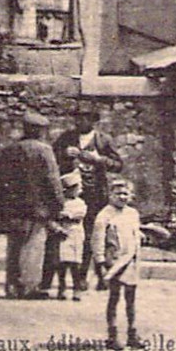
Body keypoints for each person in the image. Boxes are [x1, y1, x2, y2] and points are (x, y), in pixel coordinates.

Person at [0, 111, 65, 299]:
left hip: (12, 208)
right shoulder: (44, 150)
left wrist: (2, 206)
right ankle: (29, 286)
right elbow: (52, 180)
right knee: (33, 247)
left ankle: (11, 285)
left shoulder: (9, 150)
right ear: (40, 131)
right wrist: (58, 205)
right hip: (36, 209)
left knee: (14, 247)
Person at [52, 106, 122, 290]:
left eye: (84, 118)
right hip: (71, 194)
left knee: (92, 234)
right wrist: (64, 155)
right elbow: (52, 158)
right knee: (69, 233)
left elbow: (118, 164)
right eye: (77, 118)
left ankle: (83, 276)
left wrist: (99, 160)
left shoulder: (103, 140)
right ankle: (63, 277)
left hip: (95, 195)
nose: (79, 122)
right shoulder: (66, 138)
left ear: (93, 121)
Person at [92, 178, 144, 350]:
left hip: (131, 261)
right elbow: (97, 240)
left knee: (131, 298)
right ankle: (112, 335)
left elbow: (135, 234)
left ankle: (132, 333)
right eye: (118, 193)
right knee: (114, 298)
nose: (122, 197)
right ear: (110, 195)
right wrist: (100, 262)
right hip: (113, 262)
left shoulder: (132, 214)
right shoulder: (104, 215)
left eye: (125, 193)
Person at [50, 171, 89, 301]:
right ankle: (62, 287)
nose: (80, 190)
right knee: (62, 263)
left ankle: (76, 289)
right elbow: (55, 216)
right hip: (63, 234)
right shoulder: (60, 203)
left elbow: (79, 214)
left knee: (75, 264)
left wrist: (68, 215)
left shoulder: (81, 203)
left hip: (76, 233)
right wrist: (58, 228)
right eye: (77, 188)